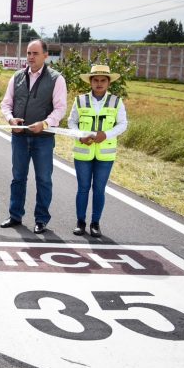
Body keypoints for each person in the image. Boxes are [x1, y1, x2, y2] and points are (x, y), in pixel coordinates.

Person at [0, 39, 68, 234]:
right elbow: (6, 104)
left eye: (35, 53)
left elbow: (61, 108)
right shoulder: (17, 76)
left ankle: (41, 219)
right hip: (19, 137)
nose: (30, 57)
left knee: (44, 179)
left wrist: (45, 124)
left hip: (44, 138)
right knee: (18, 177)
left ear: (45, 55)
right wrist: (10, 119)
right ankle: (15, 216)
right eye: (28, 53)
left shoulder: (57, 79)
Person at [68, 65, 128, 238]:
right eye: (96, 80)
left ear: (109, 83)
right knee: (83, 188)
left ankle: (95, 224)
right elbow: (72, 122)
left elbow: (123, 124)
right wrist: (80, 136)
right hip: (83, 153)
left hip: (105, 154)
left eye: (103, 80)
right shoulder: (79, 100)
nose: (99, 83)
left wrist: (106, 134)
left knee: (99, 189)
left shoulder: (116, 101)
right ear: (90, 82)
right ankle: (80, 222)